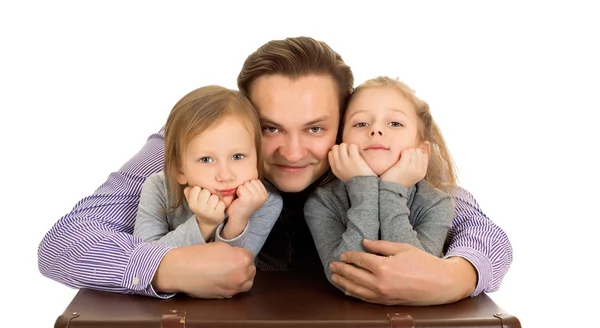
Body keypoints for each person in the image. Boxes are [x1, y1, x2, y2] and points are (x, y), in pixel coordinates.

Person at [37, 36, 513, 305]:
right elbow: (62, 243)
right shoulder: (192, 147)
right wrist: (166, 265)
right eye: (269, 128)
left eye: (315, 129)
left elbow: (482, 232)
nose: (291, 151)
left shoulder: (374, 153)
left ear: (347, 122)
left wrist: (456, 277)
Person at [305, 76, 455, 294]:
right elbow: (345, 274)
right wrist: (363, 187)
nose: (375, 130)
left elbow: (417, 279)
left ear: (421, 150)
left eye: (395, 123)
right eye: (361, 123)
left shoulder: (437, 203)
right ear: (340, 144)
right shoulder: (322, 202)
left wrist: (392, 190)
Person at [133, 85, 282, 259]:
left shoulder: (265, 201)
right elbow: (144, 259)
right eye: (206, 160)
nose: (226, 175)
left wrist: (237, 221)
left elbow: (233, 273)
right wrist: (203, 224)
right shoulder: (158, 187)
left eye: (238, 156)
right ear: (179, 169)